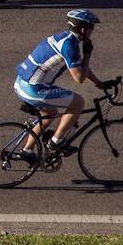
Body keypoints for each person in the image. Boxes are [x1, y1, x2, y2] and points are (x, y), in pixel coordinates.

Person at [13, 9, 117, 161]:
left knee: (50, 113)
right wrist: (88, 54)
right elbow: (79, 77)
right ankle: (55, 143)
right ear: (83, 29)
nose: (93, 31)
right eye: (92, 28)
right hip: (33, 89)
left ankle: (27, 150)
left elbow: (81, 67)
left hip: (22, 83)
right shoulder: (70, 45)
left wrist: (99, 83)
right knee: (78, 103)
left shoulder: (66, 38)